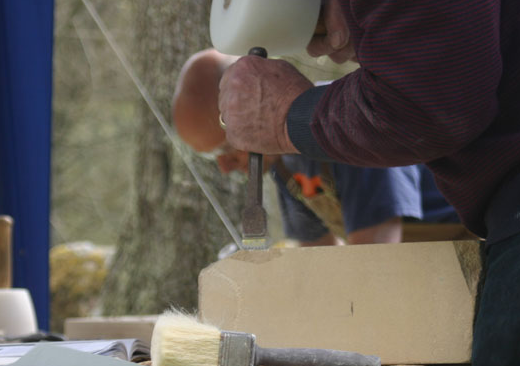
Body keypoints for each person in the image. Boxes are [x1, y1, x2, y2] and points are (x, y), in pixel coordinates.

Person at [216, 0, 520, 366]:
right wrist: (376, 7)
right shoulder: (293, 172)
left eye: (225, 140)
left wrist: (286, 118)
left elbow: (428, 103)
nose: (225, 166)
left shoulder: (347, 154)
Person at [173, 49, 469, 247]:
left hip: (477, 241)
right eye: (210, 157)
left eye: (226, 148)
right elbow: (317, 255)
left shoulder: (342, 122)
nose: (224, 168)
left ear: (249, 106)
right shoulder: (284, 167)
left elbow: (376, 254)